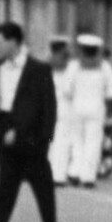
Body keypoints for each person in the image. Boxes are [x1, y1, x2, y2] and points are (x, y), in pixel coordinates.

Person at [0, 21, 59, 222]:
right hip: (6, 128)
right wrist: (1, 132)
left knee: (42, 184)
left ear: (13, 42)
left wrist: (46, 139)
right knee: (6, 182)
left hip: (33, 136)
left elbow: (48, 107)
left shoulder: (39, 69)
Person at [58, 33, 112, 187]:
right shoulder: (104, 67)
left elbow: (66, 90)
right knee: (93, 142)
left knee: (77, 141)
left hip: (77, 107)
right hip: (96, 108)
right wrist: (101, 95)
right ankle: (88, 177)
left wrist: (75, 96)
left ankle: (75, 172)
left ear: (82, 49)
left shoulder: (74, 66)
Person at [46, 37, 75, 183]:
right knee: (62, 143)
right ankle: (58, 175)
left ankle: (48, 172)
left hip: (48, 108)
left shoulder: (46, 65)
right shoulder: (69, 67)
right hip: (64, 108)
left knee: (50, 143)